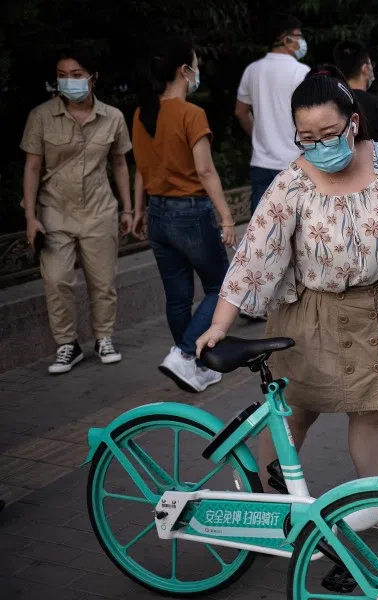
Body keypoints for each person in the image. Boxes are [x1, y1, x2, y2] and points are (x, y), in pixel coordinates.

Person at [196, 66, 378, 539]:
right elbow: (253, 257)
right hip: (312, 315)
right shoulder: (290, 185)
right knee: (296, 411)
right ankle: (266, 503)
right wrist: (220, 324)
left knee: (371, 412)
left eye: (329, 133)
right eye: (308, 137)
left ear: (353, 122)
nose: (321, 145)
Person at [131, 37, 236, 393]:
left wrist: (138, 211)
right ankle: (185, 354)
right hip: (190, 212)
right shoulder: (191, 114)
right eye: (196, 64)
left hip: (159, 215)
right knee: (222, 286)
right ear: (184, 71)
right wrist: (226, 217)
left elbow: (140, 171)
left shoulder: (142, 113)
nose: (198, 72)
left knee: (177, 297)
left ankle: (189, 364)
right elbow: (206, 172)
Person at [21, 48, 133, 374]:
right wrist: (30, 217)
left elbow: (120, 163)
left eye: (77, 74)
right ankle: (67, 345)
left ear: (93, 78)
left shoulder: (112, 117)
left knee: (103, 281)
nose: (68, 81)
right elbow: (31, 168)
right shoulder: (41, 116)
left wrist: (127, 209)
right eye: (62, 75)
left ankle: (103, 338)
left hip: (99, 209)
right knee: (57, 280)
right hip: (54, 208)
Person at [235, 15, 311, 216]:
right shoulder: (302, 72)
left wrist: (259, 136)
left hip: (261, 164)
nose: (302, 42)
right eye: (298, 36)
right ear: (286, 39)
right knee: (299, 231)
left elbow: (241, 111)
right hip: (296, 163)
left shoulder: (252, 70)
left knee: (263, 236)